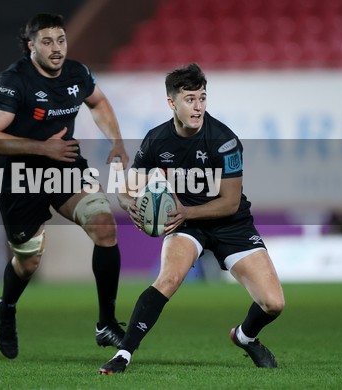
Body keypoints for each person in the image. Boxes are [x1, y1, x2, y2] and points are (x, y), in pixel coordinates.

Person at [98, 63, 285, 374]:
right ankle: (124, 355)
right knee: (167, 279)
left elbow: (229, 202)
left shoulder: (224, 140)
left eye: (202, 98)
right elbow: (127, 188)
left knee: (274, 304)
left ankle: (245, 336)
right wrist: (130, 203)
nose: (198, 107)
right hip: (185, 224)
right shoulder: (156, 139)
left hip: (229, 223)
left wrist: (184, 211)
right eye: (190, 99)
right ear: (172, 103)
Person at [0, 13, 129, 359]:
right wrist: (42, 147)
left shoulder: (77, 72)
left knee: (105, 226)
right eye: (47, 42)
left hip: (65, 167)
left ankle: (106, 323)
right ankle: (7, 306)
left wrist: (116, 142)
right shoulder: (14, 80)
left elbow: (99, 102)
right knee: (28, 262)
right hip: (21, 178)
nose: (57, 48)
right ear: (31, 46)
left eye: (60, 40)